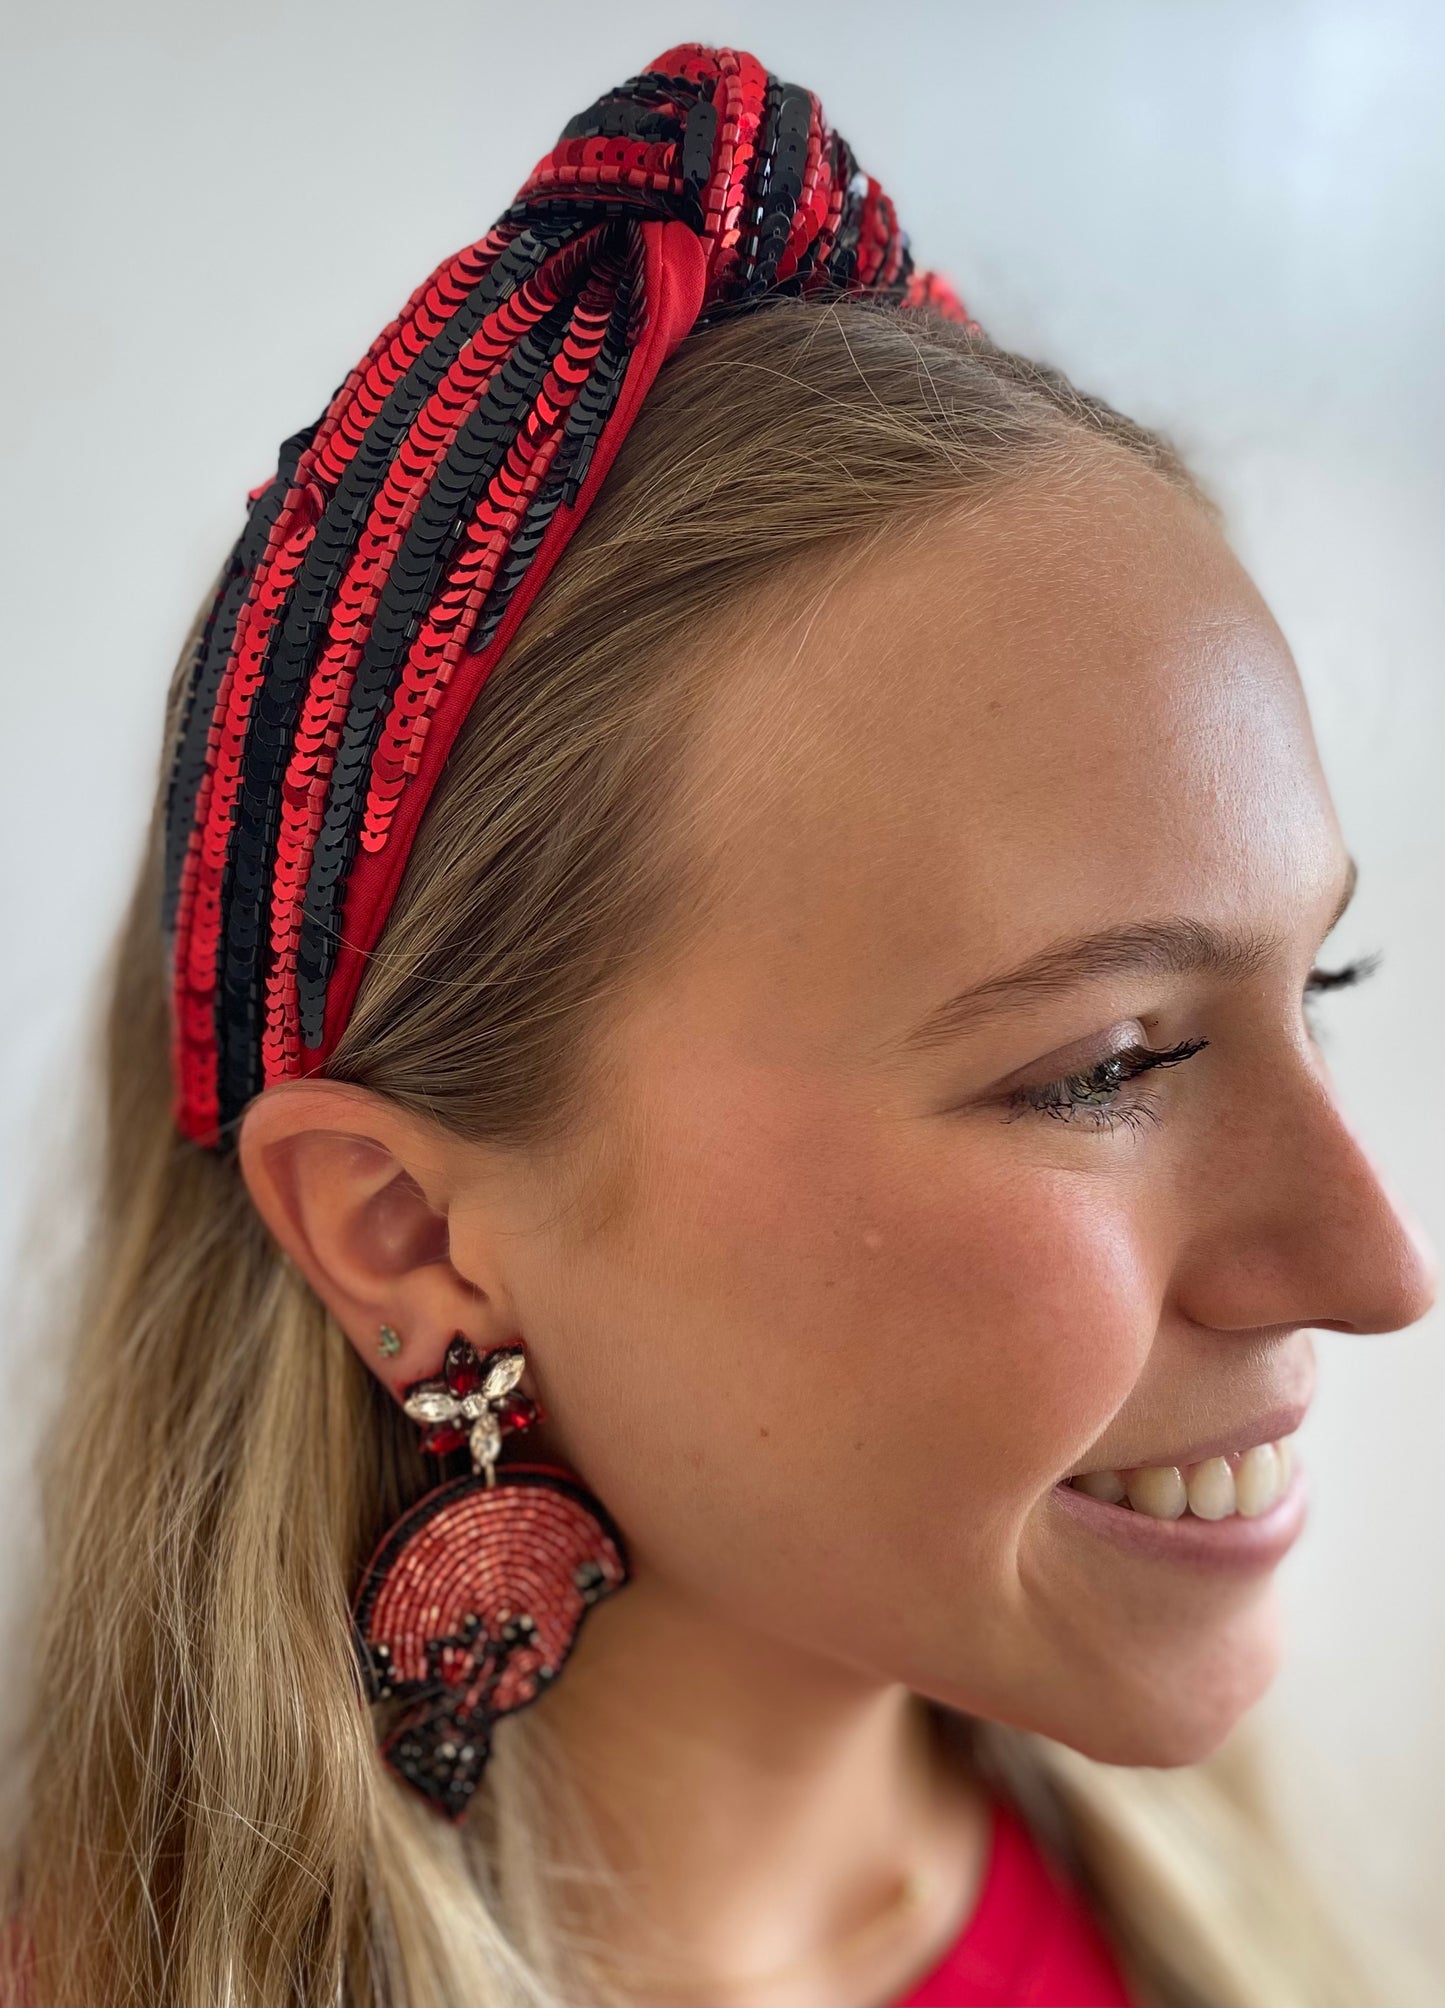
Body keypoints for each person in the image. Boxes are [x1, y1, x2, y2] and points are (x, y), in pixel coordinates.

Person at [1, 41, 1436, 2008]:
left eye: (1318, 986)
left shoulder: (1198, 1924)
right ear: (405, 1229)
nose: (1376, 1264)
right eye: (1109, 1065)